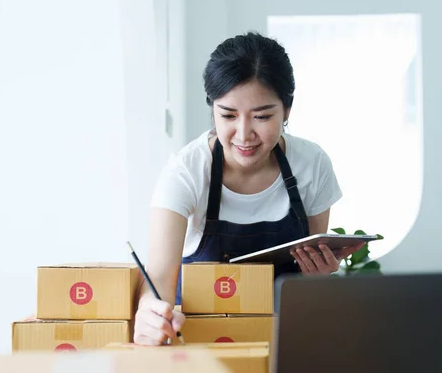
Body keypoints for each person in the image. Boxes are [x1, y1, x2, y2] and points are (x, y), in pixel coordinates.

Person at [132, 32, 364, 346]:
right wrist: (150, 312)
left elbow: (309, 273)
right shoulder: (185, 172)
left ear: (287, 110)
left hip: (281, 337)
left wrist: (317, 278)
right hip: (198, 342)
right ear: (212, 108)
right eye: (228, 115)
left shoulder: (313, 164)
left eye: (262, 116)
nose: (244, 135)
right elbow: (157, 278)